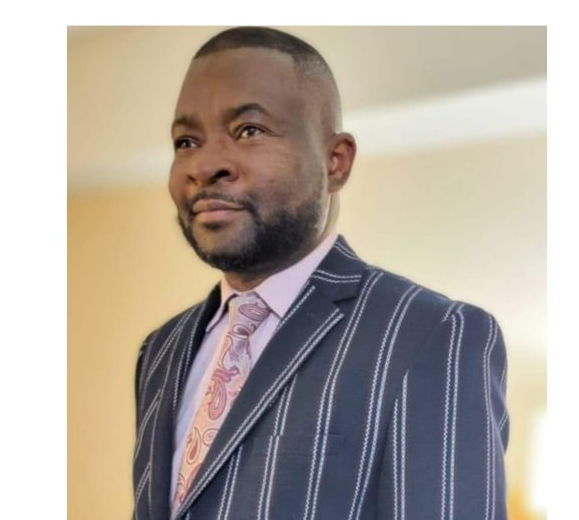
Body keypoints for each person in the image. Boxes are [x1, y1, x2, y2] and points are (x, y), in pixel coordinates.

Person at [132, 27, 509, 520]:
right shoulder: (160, 350)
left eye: (249, 130)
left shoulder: (431, 336)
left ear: (336, 162)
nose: (205, 165)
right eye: (186, 141)